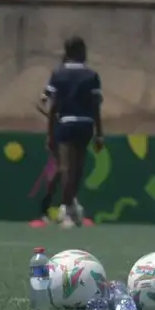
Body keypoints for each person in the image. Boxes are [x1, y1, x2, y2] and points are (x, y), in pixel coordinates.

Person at [40, 36, 104, 230]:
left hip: (65, 125)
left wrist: (50, 134)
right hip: (85, 125)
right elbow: (95, 107)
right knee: (77, 169)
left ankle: (67, 208)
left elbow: (51, 104)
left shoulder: (58, 74)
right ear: (81, 51)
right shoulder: (91, 75)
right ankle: (69, 207)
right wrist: (100, 133)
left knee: (65, 168)